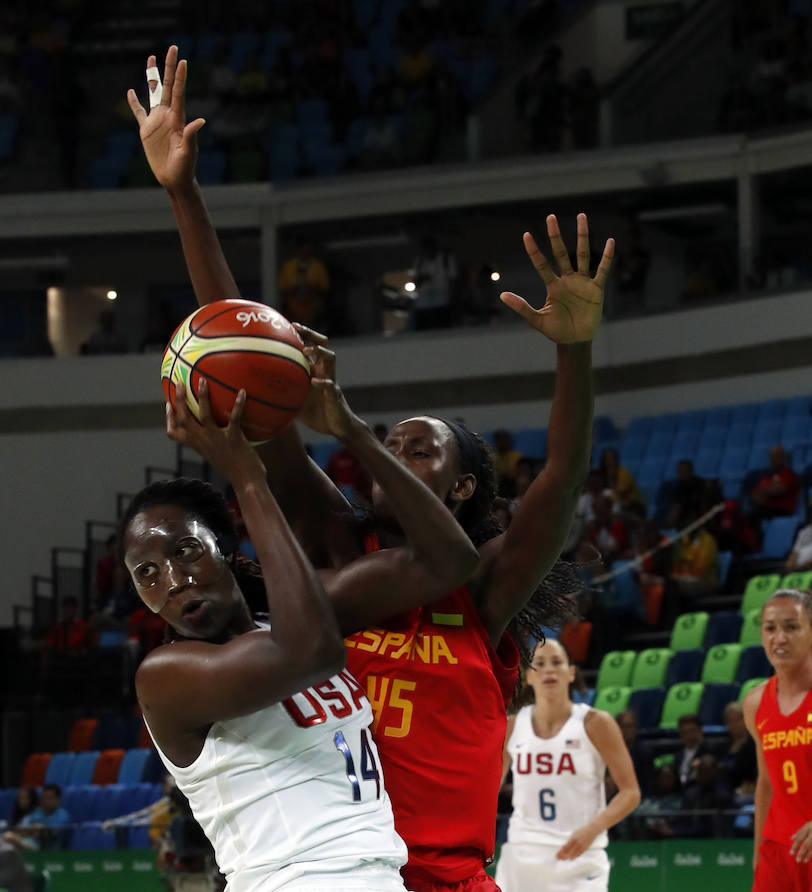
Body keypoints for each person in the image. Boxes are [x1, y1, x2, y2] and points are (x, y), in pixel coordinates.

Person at [128, 46, 613, 891]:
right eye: (392, 438)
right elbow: (243, 367)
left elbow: (561, 482)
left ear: (463, 488)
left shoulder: (481, 594)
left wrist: (576, 355)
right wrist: (183, 192)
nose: (396, 450)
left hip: (447, 878)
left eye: (420, 448)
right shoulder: (333, 557)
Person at [122, 375, 475, 891]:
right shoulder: (166, 677)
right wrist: (249, 480)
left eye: (184, 551)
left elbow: (451, 560)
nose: (173, 582)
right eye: (146, 574)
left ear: (223, 547)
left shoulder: (282, 621)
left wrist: (335, 419)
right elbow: (312, 652)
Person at [493, 639, 640, 891]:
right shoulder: (512, 726)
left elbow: (631, 793)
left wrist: (593, 828)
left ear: (571, 672)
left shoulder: (596, 723)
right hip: (522, 856)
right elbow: (488, 791)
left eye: (557, 662)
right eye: (540, 664)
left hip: (580, 856)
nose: (549, 669)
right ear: (528, 676)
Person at [744, 589, 812, 890]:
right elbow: (766, 783)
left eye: (791, 627)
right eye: (770, 628)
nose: (779, 638)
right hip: (777, 853)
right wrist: (759, 853)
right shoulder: (756, 702)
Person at [3, 784, 71, 851]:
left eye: (50, 798)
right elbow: (21, 829)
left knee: (9, 837)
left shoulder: (63, 815)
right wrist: (34, 830)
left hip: (48, 850)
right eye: (44, 797)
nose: (46, 800)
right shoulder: (36, 812)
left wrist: (35, 830)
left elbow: (50, 834)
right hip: (28, 843)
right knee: (5, 838)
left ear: (58, 800)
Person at [750, 445, 801, 521]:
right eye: (772, 457)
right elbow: (755, 495)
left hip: (783, 512)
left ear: (783, 458)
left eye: (777, 457)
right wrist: (767, 492)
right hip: (765, 510)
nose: (774, 460)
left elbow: (779, 490)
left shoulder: (789, 475)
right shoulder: (767, 477)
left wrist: (764, 492)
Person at [671, 714, 716, 790]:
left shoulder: (709, 751)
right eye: (685, 732)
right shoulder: (678, 755)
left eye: (692, 731)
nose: (689, 736)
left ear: (700, 730)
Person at [785, 498, 812, 571]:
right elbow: (794, 553)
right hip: (799, 571)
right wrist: (790, 566)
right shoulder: (804, 531)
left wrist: (800, 567)